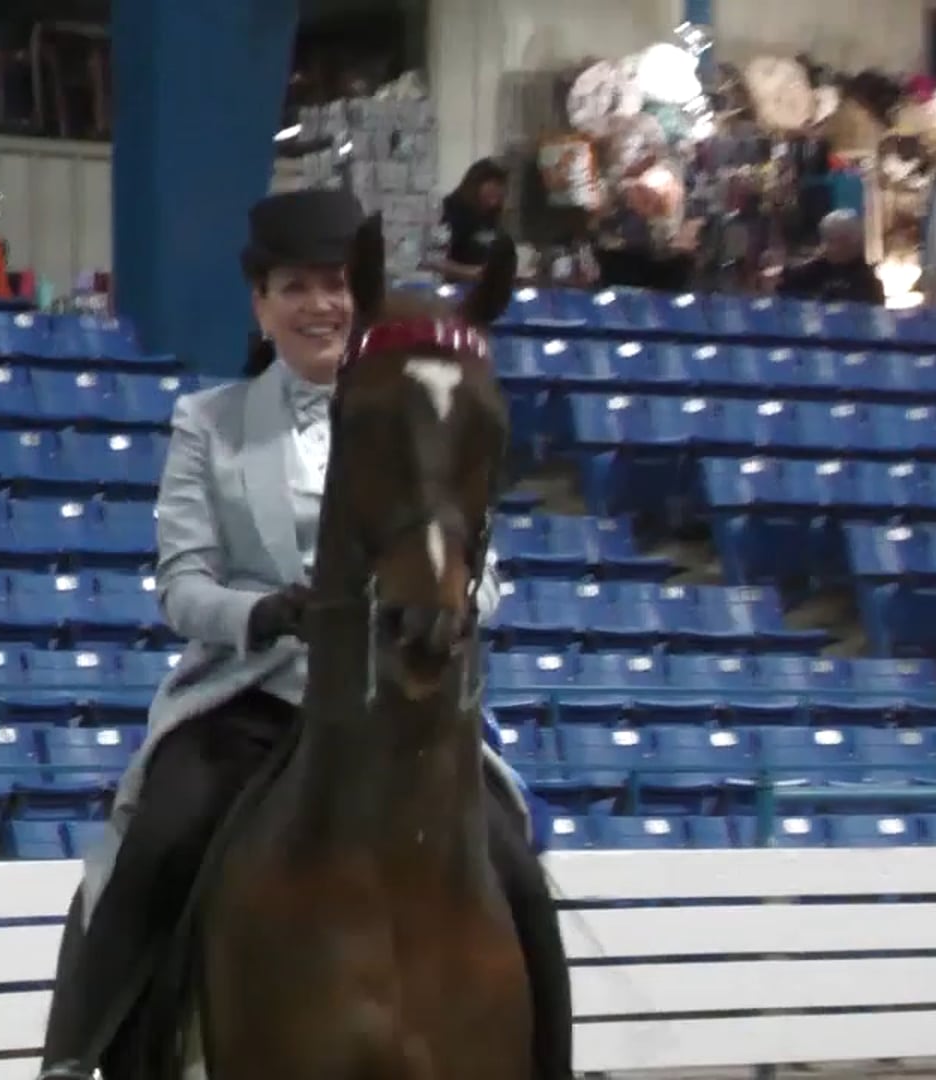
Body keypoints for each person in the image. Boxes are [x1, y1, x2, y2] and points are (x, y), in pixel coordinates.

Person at [38, 189, 572, 1080]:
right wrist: (261, 613)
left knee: (515, 862)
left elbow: (476, 556)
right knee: (158, 838)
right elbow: (182, 583)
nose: (319, 304)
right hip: (251, 700)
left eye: (335, 285)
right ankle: (80, 1055)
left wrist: (456, 600)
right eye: (295, 286)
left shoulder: (416, 399)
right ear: (261, 303)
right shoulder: (208, 424)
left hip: (393, 708)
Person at [778, 209, 886, 305]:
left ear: (851, 242)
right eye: (824, 240)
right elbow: (792, 278)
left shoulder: (867, 281)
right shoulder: (822, 266)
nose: (824, 247)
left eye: (831, 241)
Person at [429, 157, 511, 283]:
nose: (497, 194)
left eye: (500, 189)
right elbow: (435, 260)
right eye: (492, 187)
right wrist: (472, 272)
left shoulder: (492, 215)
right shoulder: (452, 209)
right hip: (454, 287)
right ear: (475, 185)